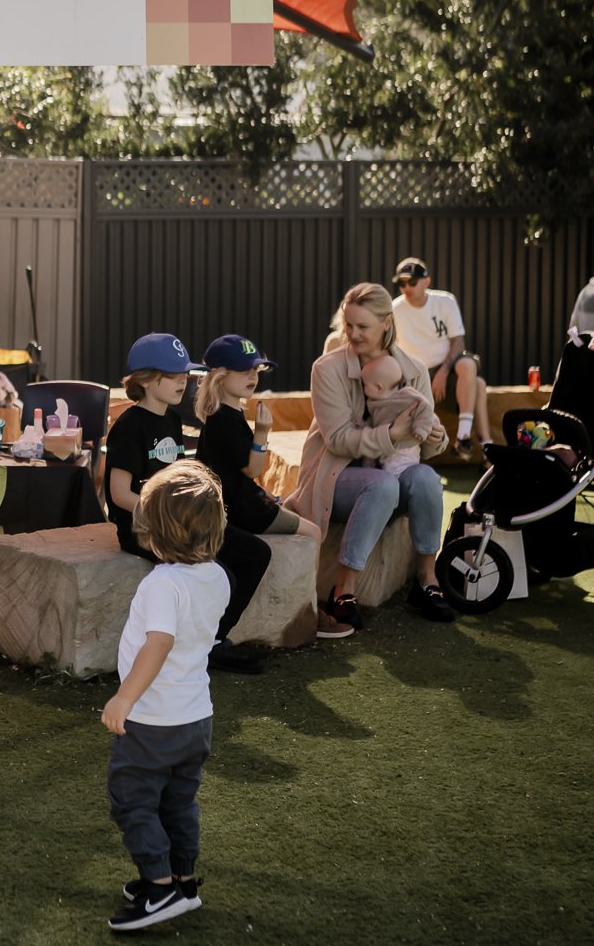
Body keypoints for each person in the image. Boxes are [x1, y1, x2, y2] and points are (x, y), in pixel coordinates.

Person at [101, 460, 229, 932]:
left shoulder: (162, 584)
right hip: (196, 717)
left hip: (154, 722)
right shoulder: (216, 576)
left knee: (132, 800)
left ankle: (158, 889)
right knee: (178, 802)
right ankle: (181, 880)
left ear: (155, 532)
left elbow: (158, 645)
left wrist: (124, 699)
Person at [105, 331, 271, 671]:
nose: (184, 381)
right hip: (144, 527)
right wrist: (165, 514)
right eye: (173, 375)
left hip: (179, 521)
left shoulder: (172, 419)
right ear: (147, 381)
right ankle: (195, 649)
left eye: (185, 374)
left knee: (256, 554)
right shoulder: (128, 426)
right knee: (221, 575)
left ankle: (212, 641)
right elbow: (119, 494)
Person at [290, 281, 453, 627]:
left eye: (362, 326)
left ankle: (427, 580)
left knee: (425, 478)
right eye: (348, 324)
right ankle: (343, 590)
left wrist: (436, 437)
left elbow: (426, 440)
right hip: (334, 473)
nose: (353, 333)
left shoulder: (416, 370)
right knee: (382, 486)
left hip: (394, 472)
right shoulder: (327, 368)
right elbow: (337, 440)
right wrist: (393, 435)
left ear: (386, 324)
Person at [194, 334, 353, 641]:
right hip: (242, 510)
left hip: (237, 502)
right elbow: (254, 468)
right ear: (221, 376)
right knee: (314, 532)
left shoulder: (223, 413)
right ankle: (312, 609)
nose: (253, 376)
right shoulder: (226, 420)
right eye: (245, 371)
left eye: (257, 371)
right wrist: (263, 433)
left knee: (292, 506)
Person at [390, 258, 492, 459]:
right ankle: (485, 448)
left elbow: (458, 342)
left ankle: (465, 438)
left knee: (468, 365)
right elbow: (390, 348)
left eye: (412, 282)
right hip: (413, 378)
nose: (406, 288)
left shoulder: (445, 301)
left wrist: (442, 374)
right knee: (479, 385)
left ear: (427, 281)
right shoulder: (395, 309)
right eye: (402, 283)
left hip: (446, 373)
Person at [358, 350, 435, 476]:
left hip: (404, 448)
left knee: (394, 470)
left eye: (365, 385)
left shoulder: (404, 396)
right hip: (384, 448)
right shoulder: (376, 403)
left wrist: (421, 429)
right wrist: (362, 425)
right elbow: (374, 422)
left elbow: (425, 407)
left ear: (379, 387)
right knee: (375, 464)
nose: (363, 388)